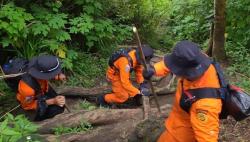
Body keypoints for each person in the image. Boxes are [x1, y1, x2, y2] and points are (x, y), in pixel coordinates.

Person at [143, 40, 222, 142]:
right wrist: (154, 69)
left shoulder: (205, 105)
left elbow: (207, 138)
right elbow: (175, 62)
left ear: (185, 71)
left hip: (183, 134)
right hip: (177, 120)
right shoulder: (198, 59)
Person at [16, 55, 66, 121]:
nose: (56, 76)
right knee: (56, 109)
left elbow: (50, 69)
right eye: (55, 73)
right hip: (31, 101)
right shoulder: (27, 89)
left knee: (60, 103)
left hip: (42, 90)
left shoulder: (39, 66)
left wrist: (59, 74)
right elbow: (27, 106)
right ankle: (42, 121)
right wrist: (52, 101)